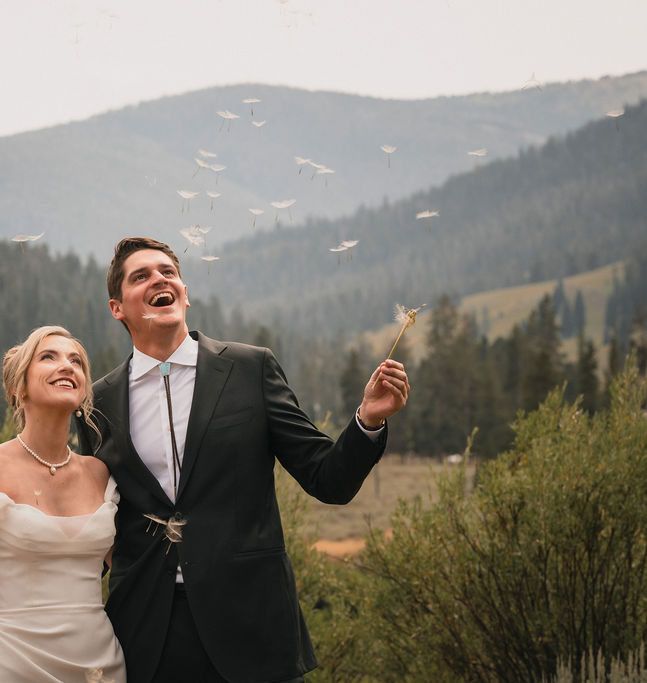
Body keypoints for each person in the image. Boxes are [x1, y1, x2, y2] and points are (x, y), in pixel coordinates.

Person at [79, 237, 411, 683]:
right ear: (117, 307)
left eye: (168, 272)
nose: (159, 279)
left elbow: (327, 478)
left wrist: (367, 420)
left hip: (253, 625)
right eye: (141, 276)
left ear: (185, 292)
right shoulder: (96, 403)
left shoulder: (251, 368)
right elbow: (90, 522)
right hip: (146, 634)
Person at [0, 325, 126, 683]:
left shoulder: (99, 474)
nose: (67, 366)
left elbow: (130, 570)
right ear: (18, 387)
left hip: (100, 665)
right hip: (14, 662)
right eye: (48, 357)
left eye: (76, 361)